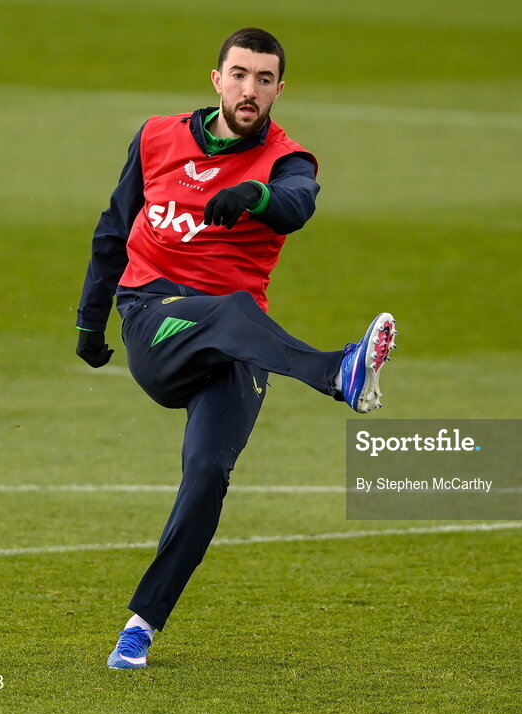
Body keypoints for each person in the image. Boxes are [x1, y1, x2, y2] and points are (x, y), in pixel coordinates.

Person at [74, 27, 397, 670]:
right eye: (241, 75)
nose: (251, 90)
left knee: (208, 475)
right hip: (154, 320)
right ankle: (337, 372)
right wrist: (91, 322)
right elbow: (114, 229)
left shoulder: (287, 159)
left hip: (237, 347)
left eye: (265, 79)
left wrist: (257, 194)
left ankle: (139, 627)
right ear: (216, 78)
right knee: (231, 308)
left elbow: (298, 204)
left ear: (280, 88)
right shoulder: (155, 137)